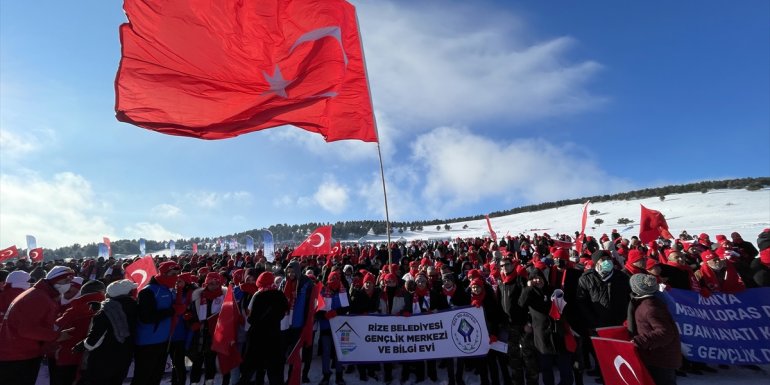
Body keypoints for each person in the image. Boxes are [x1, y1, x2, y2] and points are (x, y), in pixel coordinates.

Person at [0, 266, 75, 385]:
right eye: (66, 280)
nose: (68, 284)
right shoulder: (38, 297)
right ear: (55, 280)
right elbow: (26, 330)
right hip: (19, 355)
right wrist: (56, 336)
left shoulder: (39, 294)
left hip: (18, 352)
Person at [77, 279, 139, 385]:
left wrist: (82, 345)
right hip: (124, 356)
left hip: (104, 358)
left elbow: (95, 338)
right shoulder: (136, 307)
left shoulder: (104, 312)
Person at [518, 271, 573, 385]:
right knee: (546, 369)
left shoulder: (553, 290)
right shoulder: (529, 293)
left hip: (558, 334)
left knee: (565, 369)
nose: (538, 280)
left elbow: (565, 307)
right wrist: (528, 288)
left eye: (540, 277)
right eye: (534, 278)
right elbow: (521, 304)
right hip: (542, 337)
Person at [627, 274, 681, 385]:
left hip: (660, 360)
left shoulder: (651, 307)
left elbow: (665, 333)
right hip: (654, 356)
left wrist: (639, 341)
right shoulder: (645, 303)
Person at [132, 261, 179, 385]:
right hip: (147, 342)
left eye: (177, 274)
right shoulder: (148, 291)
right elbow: (146, 317)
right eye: (173, 274)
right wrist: (171, 311)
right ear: (163, 273)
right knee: (142, 378)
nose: (175, 277)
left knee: (156, 377)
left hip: (163, 341)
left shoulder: (169, 289)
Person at [238, 271, 289, 385]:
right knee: (274, 368)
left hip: (258, 336)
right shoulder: (280, 294)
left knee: (252, 366)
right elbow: (284, 311)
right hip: (274, 335)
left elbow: (251, 318)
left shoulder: (258, 295)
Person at [52, 279, 106, 385]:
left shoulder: (73, 309)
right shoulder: (110, 309)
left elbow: (55, 328)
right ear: (102, 292)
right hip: (97, 359)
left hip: (70, 356)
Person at [190, 272, 227, 385]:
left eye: (216, 283)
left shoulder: (224, 296)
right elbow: (191, 313)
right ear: (206, 283)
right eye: (211, 283)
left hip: (215, 333)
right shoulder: (199, 296)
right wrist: (192, 322)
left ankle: (209, 381)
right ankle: (194, 382)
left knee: (210, 360)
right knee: (197, 360)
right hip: (200, 333)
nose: (214, 286)